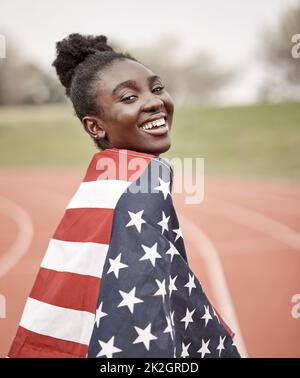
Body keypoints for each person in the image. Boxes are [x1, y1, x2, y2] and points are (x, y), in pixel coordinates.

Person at [8, 34, 241, 358]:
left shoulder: (101, 184)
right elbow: (142, 316)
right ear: (95, 127)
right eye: (129, 97)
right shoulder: (140, 186)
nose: (154, 101)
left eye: (157, 89)